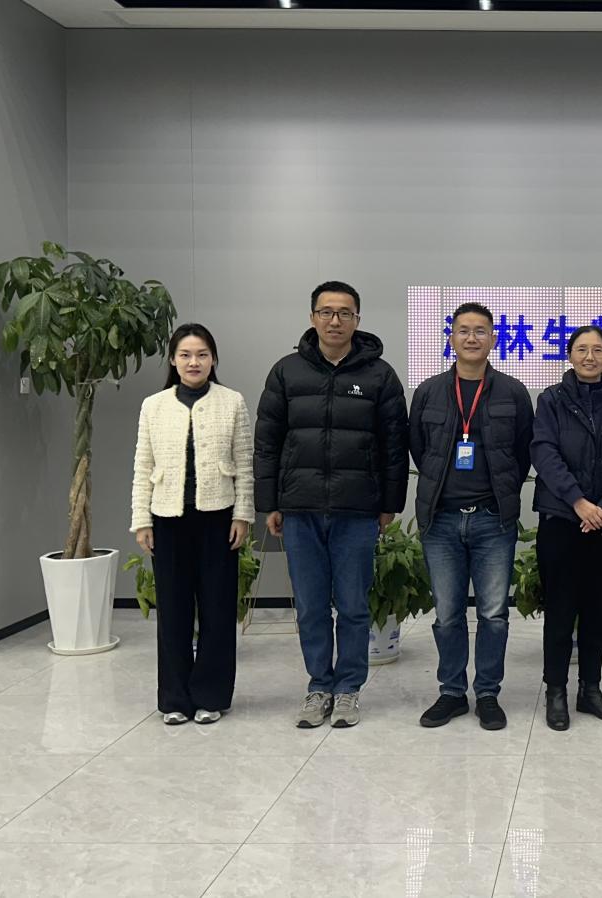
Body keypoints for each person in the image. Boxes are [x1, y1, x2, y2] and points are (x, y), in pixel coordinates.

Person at [254, 281, 409, 729]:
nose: (335, 320)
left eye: (344, 313)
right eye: (326, 312)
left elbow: (394, 446)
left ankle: (348, 689)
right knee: (310, 607)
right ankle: (319, 685)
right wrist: (270, 502)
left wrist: (390, 503)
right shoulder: (286, 372)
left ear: (357, 319)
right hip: (299, 508)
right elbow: (267, 442)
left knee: (354, 606)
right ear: (312, 317)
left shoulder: (379, 375)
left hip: (357, 510)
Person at [410, 301, 534, 731]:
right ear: (451, 338)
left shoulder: (513, 391)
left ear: (493, 339)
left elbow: (523, 451)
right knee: (447, 614)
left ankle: (487, 694)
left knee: (493, 614)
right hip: (441, 519)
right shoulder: (429, 391)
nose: (471, 338)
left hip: (492, 519)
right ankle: (450, 692)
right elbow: (418, 447)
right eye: (463, 330)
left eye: (480, 331)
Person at [130, 323, 254, 726]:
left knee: (217, 609)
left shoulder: (232, 402)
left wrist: (242, 514)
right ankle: (174, 699)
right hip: (167, 520)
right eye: (185, 355)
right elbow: (143, 465)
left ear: (213, 359)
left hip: (219, 518)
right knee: (173, 611)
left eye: (202, 354)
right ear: (173, 360)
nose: (193, 362)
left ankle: (211, 696)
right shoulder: (154, 405)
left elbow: (245, 464)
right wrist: (141, 519)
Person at [531, 325, 602, 731]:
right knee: (560, 610)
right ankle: (556, 691)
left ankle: (590, 689)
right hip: (562, 518)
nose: (589, 357)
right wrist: (578, 502)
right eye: (581, 349)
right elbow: (544, 453)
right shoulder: (551, 400)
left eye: (597, 349)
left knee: (597, 612)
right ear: (570, 355)